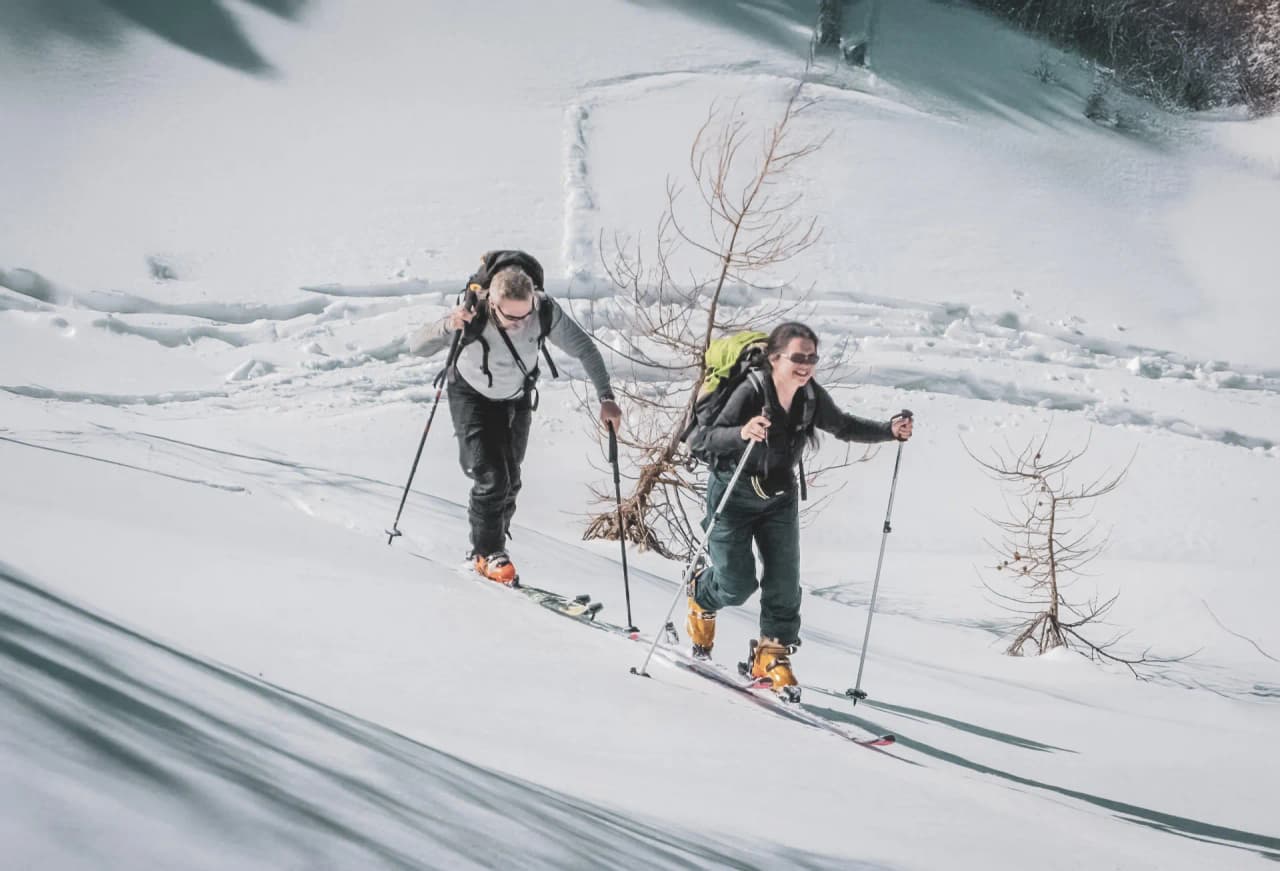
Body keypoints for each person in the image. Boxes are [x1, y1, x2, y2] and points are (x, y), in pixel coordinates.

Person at [685, 321, 913, 690]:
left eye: (811, 357)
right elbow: (703, 439)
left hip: (779, 497)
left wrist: (888, 431)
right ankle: (701, 593)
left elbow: (842, 426)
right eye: (798, 357)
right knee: (736, 583)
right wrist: (741, 433)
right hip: (733, 493)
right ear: (775, 358)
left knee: (785, 581)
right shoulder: (750, 390)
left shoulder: (810, 396)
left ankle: (772, 652)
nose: (805, 364)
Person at [408, 261, 622, 583]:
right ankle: (486, 553)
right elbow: (416, 346)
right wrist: (450, 325)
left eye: (526, 313)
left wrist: (606, 397)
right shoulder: (473, 312)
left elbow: (585, 349)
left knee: (511, 479)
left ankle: (493, 545)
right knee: (492, 478)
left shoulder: (544, 310)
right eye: (511, 317)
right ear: (493, 305)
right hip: (472, 395)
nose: (521, 323)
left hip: (515, 397)